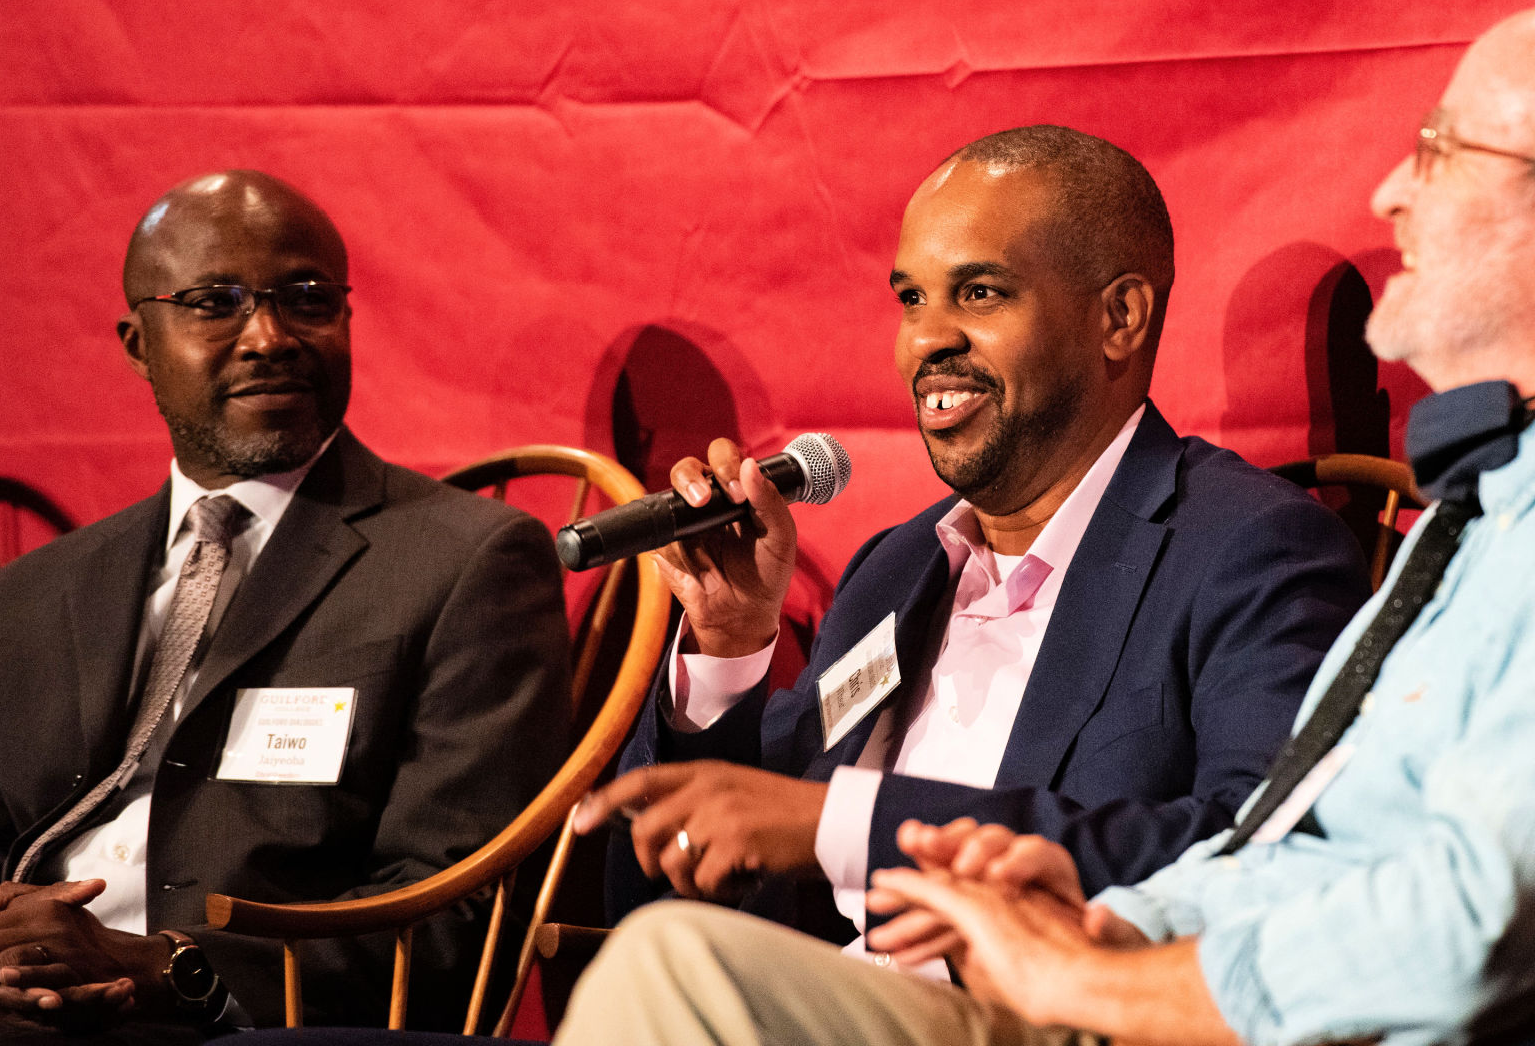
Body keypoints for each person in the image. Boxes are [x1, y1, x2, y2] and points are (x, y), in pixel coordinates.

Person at [563, 5, 1535, 1046]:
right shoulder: (1520, 499)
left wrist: (1091, 982)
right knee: (675, 965)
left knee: (681, 982)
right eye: (911, 295)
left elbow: (1477, 926)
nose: (1389, 199)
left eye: (1438, 152)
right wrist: (1109, 927)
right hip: (1148, 995)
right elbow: (1295, 844)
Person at [579, 124, 1371, 959]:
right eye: (912, 299)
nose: (925, 340)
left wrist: (855, 825)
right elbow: (660, 902)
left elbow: (1261, 847)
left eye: (981, 293)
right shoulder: (896, 568)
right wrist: (728, 651)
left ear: (1120, 317)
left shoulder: (1248, 549)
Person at [0, 171, 572, 1037]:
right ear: (139, 344)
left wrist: (174, 973)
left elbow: (452, 908)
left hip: (256, 1022)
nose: (270, 337)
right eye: (217, 303)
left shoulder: (464, 563)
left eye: (307, 299)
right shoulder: (23, 599)